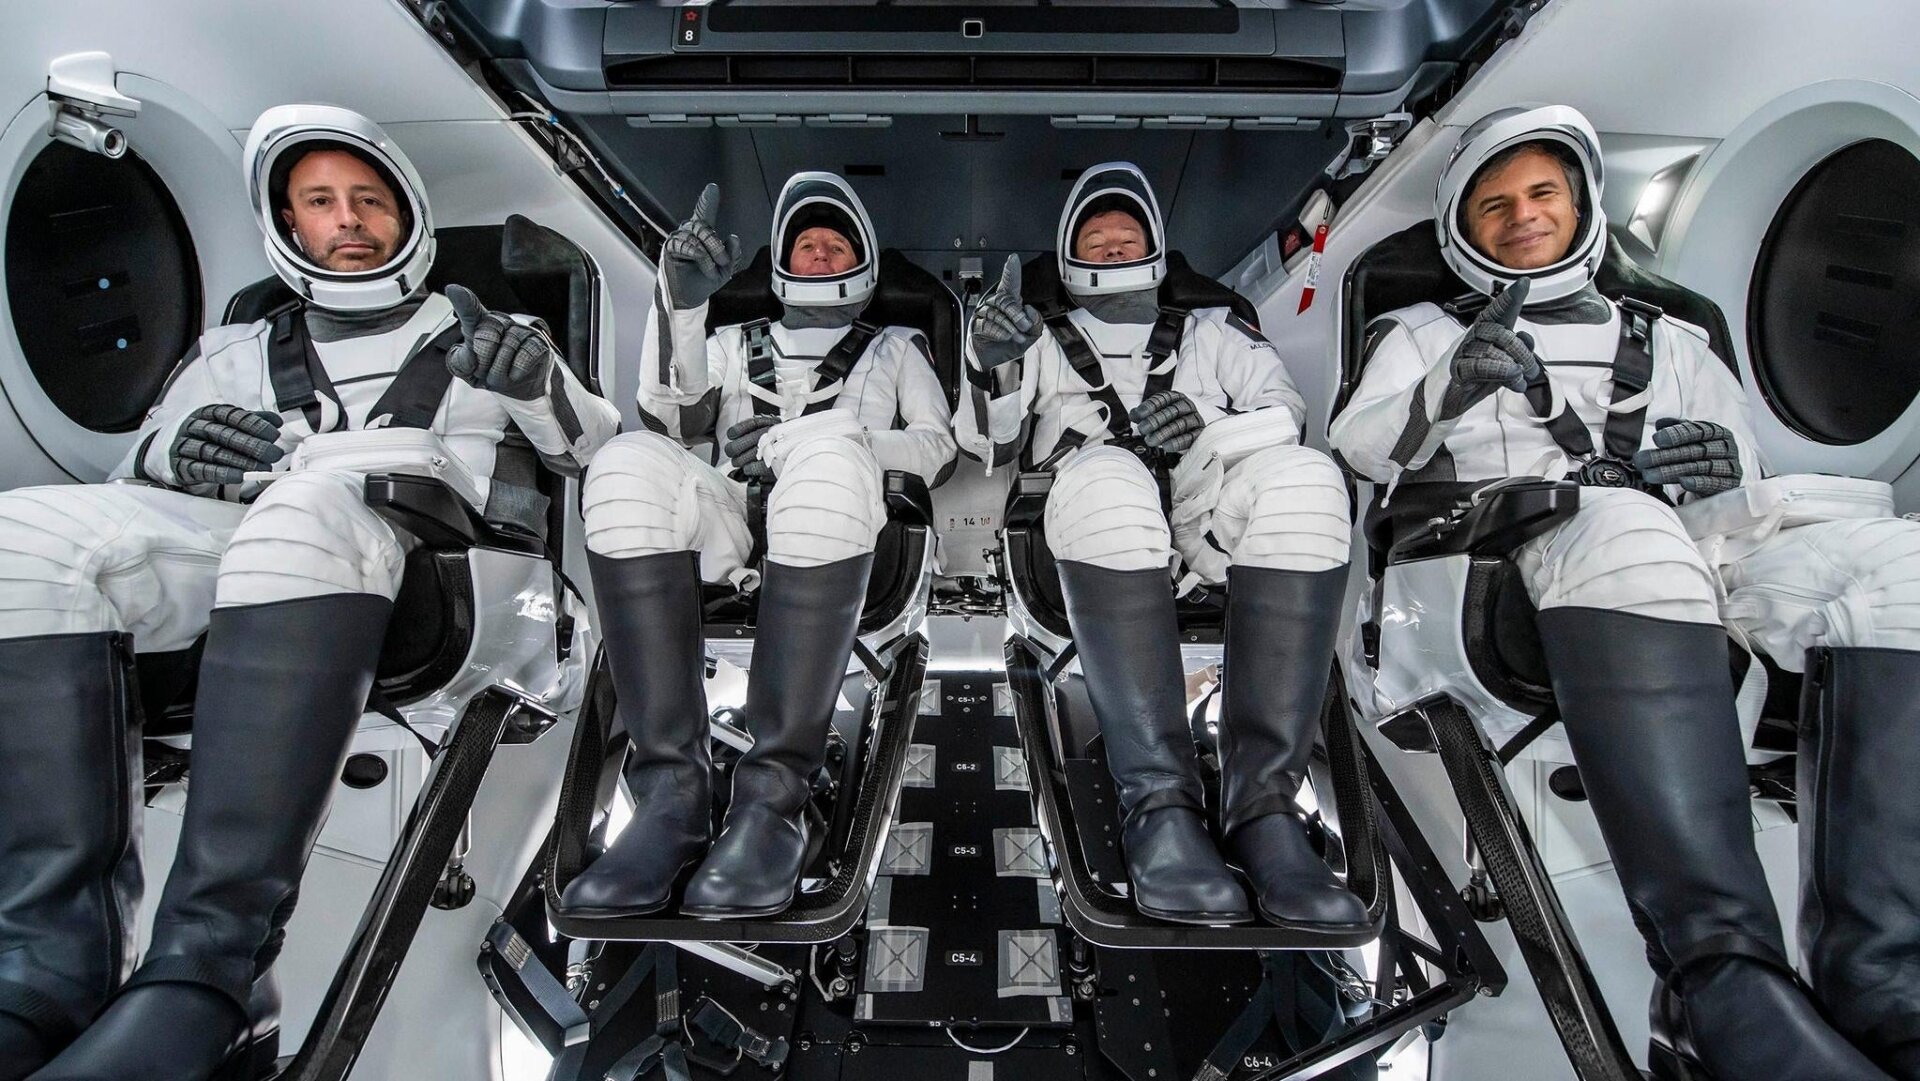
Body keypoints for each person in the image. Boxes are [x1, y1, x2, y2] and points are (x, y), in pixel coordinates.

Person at [0, 104, 617, 1081]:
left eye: (367, 198)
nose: (349, 220)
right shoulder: (231, 353)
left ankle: (212, 978)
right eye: (322, 202)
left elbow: (595, 453)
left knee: (306, 507)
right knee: (26, 538)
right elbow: (133, 489)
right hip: (266, 561)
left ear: (405, 210)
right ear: (289, 223)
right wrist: (171, 452)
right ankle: (44, 971)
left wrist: (539, 384)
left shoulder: (491, 337)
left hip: (460, 582)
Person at [1331, 103, 1919, 1079]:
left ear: (1581, 203)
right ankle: (1714, 980)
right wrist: (1447, 388)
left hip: (1691, 553)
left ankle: (1884, 980)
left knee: (1898, 565)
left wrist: (1719, 463)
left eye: (1543, 193)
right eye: (1495, 204)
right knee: (1628, 527)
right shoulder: (1422, 331)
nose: (1524, 215)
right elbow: (1360, 446)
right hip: (1492, 564)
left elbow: (1740, 478)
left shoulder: (1676, 338)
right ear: (1461, 230)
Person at [954, 162, 1367, 931]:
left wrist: (1202, 436)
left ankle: (1264, 813)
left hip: (1209, 515)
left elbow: (1284, 412)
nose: (1113, 247)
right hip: (1093, 517)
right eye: (1096, 240)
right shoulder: (1039, 339)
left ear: (1155, 248)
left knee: (1310, 478)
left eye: (1127, 236)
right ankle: (1160, 810)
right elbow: (988, 445)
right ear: (1070, 254)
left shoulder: (1214, 329)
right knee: (1110, 472)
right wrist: (993, 367)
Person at [559, 173, 955, 920]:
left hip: (845, 519)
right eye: (806, 244)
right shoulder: (730, 342)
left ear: (865, 266)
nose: (819, 253)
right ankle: (671, 799)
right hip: (736, 517)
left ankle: (773, 804)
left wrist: (818, 438)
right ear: (781, 262)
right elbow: (675, 425)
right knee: (625, 461)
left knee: (829, 457)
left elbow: (935, 449)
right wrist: (681, 307)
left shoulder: (897, 348)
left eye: (836, 244)